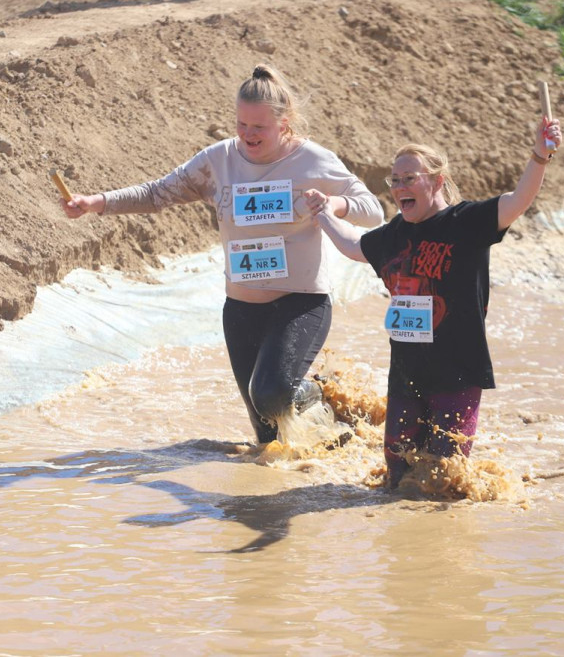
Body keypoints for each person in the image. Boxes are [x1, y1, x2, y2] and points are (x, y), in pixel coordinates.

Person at [59, 65, 384, 444]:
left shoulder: (312, 160)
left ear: (284, 123)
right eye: (241, 124)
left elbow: (372, 210)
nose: (248, 134)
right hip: (242, 309)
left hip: (300, 304)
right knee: (268, 436)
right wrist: (96, 202)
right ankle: (326, 442)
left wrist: (333, 204)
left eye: (259, 127)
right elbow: (157, 193)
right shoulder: (218, 161)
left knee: (271, 395)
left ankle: (320, 394)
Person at [308, 116, 563, 487]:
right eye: (395, 181)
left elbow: (517, 200)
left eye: (409, 178)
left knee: (443, 476)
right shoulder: (394, 234)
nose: (400, 188)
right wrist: (323, 214)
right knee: (397, 475)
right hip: (406, 374)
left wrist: (539, 156)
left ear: (437, 181)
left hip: (457, 373)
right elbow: (353, 245)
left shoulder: (466, 223)